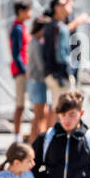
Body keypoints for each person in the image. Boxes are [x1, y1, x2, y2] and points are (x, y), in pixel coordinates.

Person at [26, 13, 51, 142]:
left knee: (40, 114)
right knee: (39, 116)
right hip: (37, 82)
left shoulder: (34, 42)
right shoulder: (36, 44)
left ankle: (34, 142)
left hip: (36, 82)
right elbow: (41, 65)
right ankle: (34, 143)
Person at [9, 1, 31, 140]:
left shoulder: (22, 27)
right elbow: (16, 53)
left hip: (24, 69)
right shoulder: (17, 29)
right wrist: (23, 70)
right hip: (20, 71)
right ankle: (16, 136)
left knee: (24, 104)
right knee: (20, 105)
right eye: (28, 10)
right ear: (21, 11)